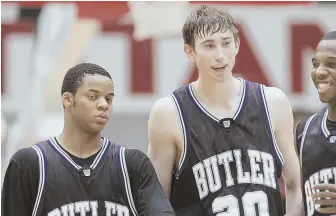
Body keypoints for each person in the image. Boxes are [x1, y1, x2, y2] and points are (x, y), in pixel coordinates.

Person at [147, 4, 303, 216]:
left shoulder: (273, 102)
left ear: (237, 44)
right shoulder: (168, 113)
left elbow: (295, 187)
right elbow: (156, 204)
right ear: (190, 51)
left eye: (226, 43)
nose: (220, 55)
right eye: (209, 46)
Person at [1, 63, 175, 216]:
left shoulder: (132, 165)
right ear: (68, 100)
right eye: (93, 97)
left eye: (109, 99)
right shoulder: (29, 164)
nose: (104, 104)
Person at [296, 31, 336, 216]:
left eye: (331, 64)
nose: (319, 72)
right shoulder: (304, 131)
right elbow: (296, 197)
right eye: (315, 64)